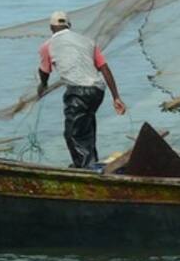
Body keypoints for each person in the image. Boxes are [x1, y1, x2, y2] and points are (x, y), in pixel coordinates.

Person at [36, 10, 126, 168]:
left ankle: (85, 170)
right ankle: (91, 164)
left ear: (51, 28)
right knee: (86, 128)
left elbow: (44, 72)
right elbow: (104, 68)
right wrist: (116, 97)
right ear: (69, 26)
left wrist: (42, 86)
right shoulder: (87, 41)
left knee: (73, 134)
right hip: (98, 91)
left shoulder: (47, 46)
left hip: (78, 92)